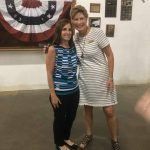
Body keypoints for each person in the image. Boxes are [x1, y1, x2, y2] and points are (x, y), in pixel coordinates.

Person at [70, 5, 120, 150]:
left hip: (103, 78)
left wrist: (110, 77)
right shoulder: (75, 38)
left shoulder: (97, 33)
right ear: (72, 21)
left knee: (109, 110)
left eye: (81, 18)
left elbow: (110, 55)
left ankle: (114, 140)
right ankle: (89, 134)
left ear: (86, 19)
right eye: (75, 19)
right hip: (85, 80)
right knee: (87, 109)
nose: (79, 22)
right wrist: (48, 49)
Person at [45, 19, 79, 150]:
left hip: (74, 91)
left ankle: (66, 138)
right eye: (64, 29)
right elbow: (49, 73)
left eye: (70, 29)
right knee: (59, 120)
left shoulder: (73, 47)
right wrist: (53, 94)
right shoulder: (53, 49)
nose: (68, 32)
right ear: (59, 31)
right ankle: (59, 143)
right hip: (60, 93)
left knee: (71, 117)